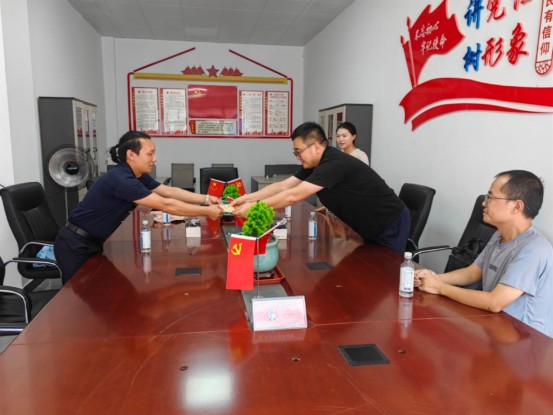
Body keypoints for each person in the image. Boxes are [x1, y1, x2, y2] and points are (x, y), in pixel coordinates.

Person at [54, 131, 224, 284]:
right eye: (150, 154)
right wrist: (206, 211)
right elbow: (165, 204)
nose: (155, 159)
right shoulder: (121, 179)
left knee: (106, 296)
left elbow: (168, 191)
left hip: (92, 242)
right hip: (75, 245)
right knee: (79, 300)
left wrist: (206, 199)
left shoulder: (136, 175)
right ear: (131, 155)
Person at [231, 121, 410, 254]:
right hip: (368, 224)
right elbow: (284, 185)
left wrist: (254, 208)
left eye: (298, 152)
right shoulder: (316, 164)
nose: (297, 157)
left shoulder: (333, 164)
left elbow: (293, 196)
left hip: (389, 221)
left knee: (387, 272)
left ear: (316, 147)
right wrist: (247, 198)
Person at [416, 170, 553, 338]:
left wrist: (439, 287)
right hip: (497, 328)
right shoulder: (499, 235)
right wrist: (431, 278)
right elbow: (473, 272)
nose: (484, 203)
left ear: (516, 206)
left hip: (526, 342)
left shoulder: (535, 249)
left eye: (490, 197)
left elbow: (495, 302)